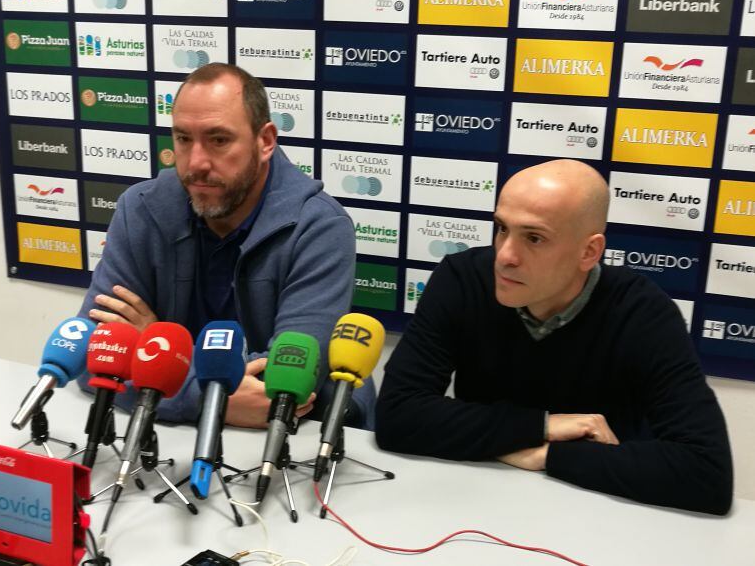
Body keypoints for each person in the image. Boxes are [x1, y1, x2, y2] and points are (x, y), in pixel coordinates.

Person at [375, 159, 733, 515]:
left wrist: (545, 454)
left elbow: (706, 473)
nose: (505, 256)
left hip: (601, 511)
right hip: (480, 498)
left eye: (534, 238)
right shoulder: (462, 279)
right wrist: (544, 426)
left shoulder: (642, 313)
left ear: (589, 252)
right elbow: (397, 416)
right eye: (501, 228)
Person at [79, 63, 372, 429]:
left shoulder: (319, 226)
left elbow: (283, 383)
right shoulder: (139, 209)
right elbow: (95, 354)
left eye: (218, 140)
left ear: (265, 141)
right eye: (183, 139)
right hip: (167, 439)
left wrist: (157, 352)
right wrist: (204, 398)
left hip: (292, 443)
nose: (197, 163)